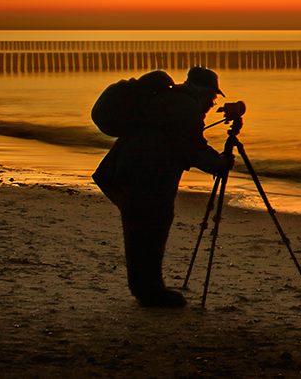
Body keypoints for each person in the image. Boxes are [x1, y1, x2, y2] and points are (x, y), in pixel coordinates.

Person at [93, 66, 235, 308]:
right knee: (152, 228)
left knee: (138, 228)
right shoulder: (185, 106)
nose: (212, 103)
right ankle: (151, 291)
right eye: (212, 96)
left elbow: (187, 143)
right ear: (203, 90)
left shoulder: (172, 100)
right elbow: (191, 148)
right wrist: (219, 164)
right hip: (149, 173)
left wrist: (214, 161)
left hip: (132, 166)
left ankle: (144, 289)